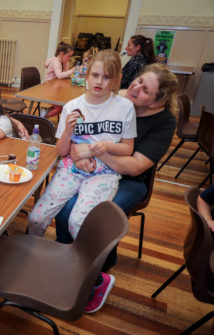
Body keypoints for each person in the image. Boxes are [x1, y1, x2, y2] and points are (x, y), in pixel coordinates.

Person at [55, 63, 179, 313]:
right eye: (139, 80)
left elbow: (135, 167)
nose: (136, 87)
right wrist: (81, 153)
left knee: (96, 216)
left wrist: (91, 151)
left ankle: (96, 278)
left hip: (131, 181)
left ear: (157, 101)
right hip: (95, 169)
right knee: (64, 209)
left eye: (145, 89)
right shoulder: (120, 100)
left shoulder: (164, 122)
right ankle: (66, 263)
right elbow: (83, 133)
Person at [29, 50, 137, 314]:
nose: (99, 81)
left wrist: (102, 148)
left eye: (107, 77)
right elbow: (62, 151)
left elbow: (127, 150)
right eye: (95, 75)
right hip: (71, 168)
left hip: (104, 172)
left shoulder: (124, 107)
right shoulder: (72, 106)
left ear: (116, 80)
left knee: (78, 221)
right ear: (86, 76)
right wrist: (67, 129)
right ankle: (34, 263)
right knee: (36, 218)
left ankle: (93, 278)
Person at [43, 41, 75, 118]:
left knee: (62, 105)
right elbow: (60, 75)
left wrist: (65, 63)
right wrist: (72, 71)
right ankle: (43, 118)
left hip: (55, 87)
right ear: (61, 54)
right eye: (68, 56)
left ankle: (45, 111)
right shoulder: (56, 63)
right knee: (60, 108)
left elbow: (64, 73)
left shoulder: (61, 62)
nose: (69, 58)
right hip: (49, 88)